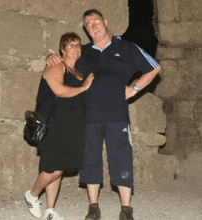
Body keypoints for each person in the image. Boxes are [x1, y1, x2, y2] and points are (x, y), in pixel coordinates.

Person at [46, 9, 161, 220]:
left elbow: (154, 67)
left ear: (105, 22)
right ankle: (93, 206)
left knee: (122, 158)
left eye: (96, 21)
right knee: (90, 160)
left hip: (117, 115)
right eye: (88, 25)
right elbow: (66, 62)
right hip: (88, 116)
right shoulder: (84, 51)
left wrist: (133, 89)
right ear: (86, 30)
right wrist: (53, 57)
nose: (93, 26)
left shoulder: (126, 47)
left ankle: (126, 209)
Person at [24, 32, 94, 220]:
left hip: (71, 125)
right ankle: (32, 195)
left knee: (59, 169)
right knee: (52, 168)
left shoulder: (78, 72)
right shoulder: (56, 65)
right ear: (62, 50)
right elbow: (59, 90)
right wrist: (83, 88)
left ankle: (50, 211)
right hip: (54, 125)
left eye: (78, 45)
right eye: (70, 45)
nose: (76, 48)